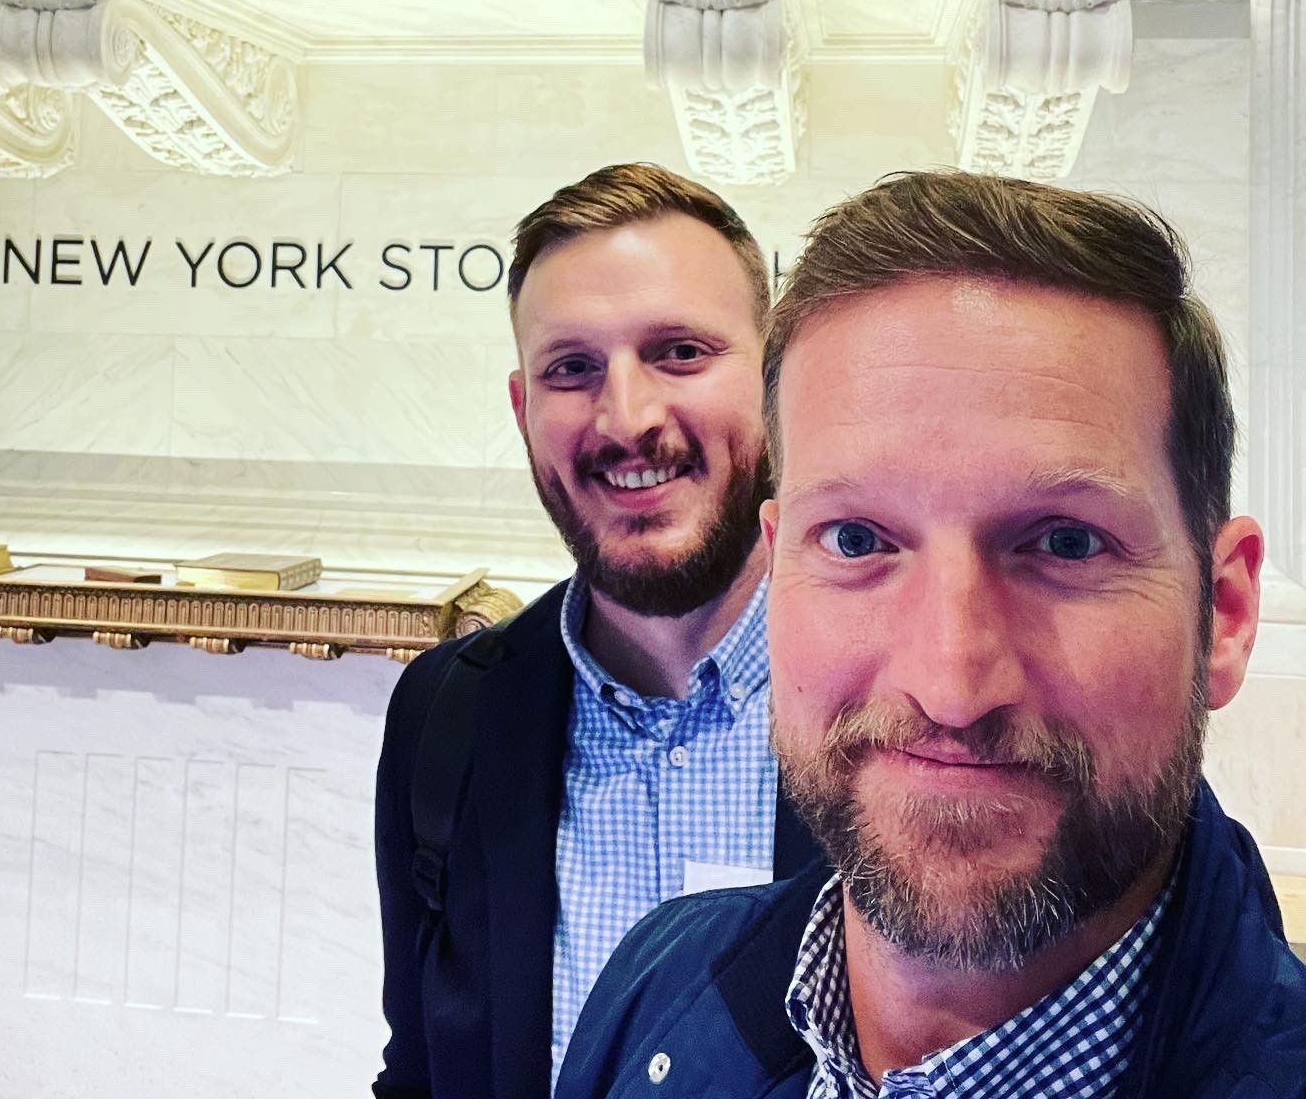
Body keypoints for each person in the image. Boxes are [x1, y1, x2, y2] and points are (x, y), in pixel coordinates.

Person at [559, 170, 1306, 1099]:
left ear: (1225, 613)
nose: (951, 686)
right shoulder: (659, 980)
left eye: (1066, 544)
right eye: (857, 540)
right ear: (779, 570)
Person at [372, 162, 818, 1099]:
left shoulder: (901, 691)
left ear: (775, 382)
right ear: (523, 409)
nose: (628, 419)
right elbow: (420, 1070)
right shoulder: (446, 715)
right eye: (572, 369)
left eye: (679, 352)